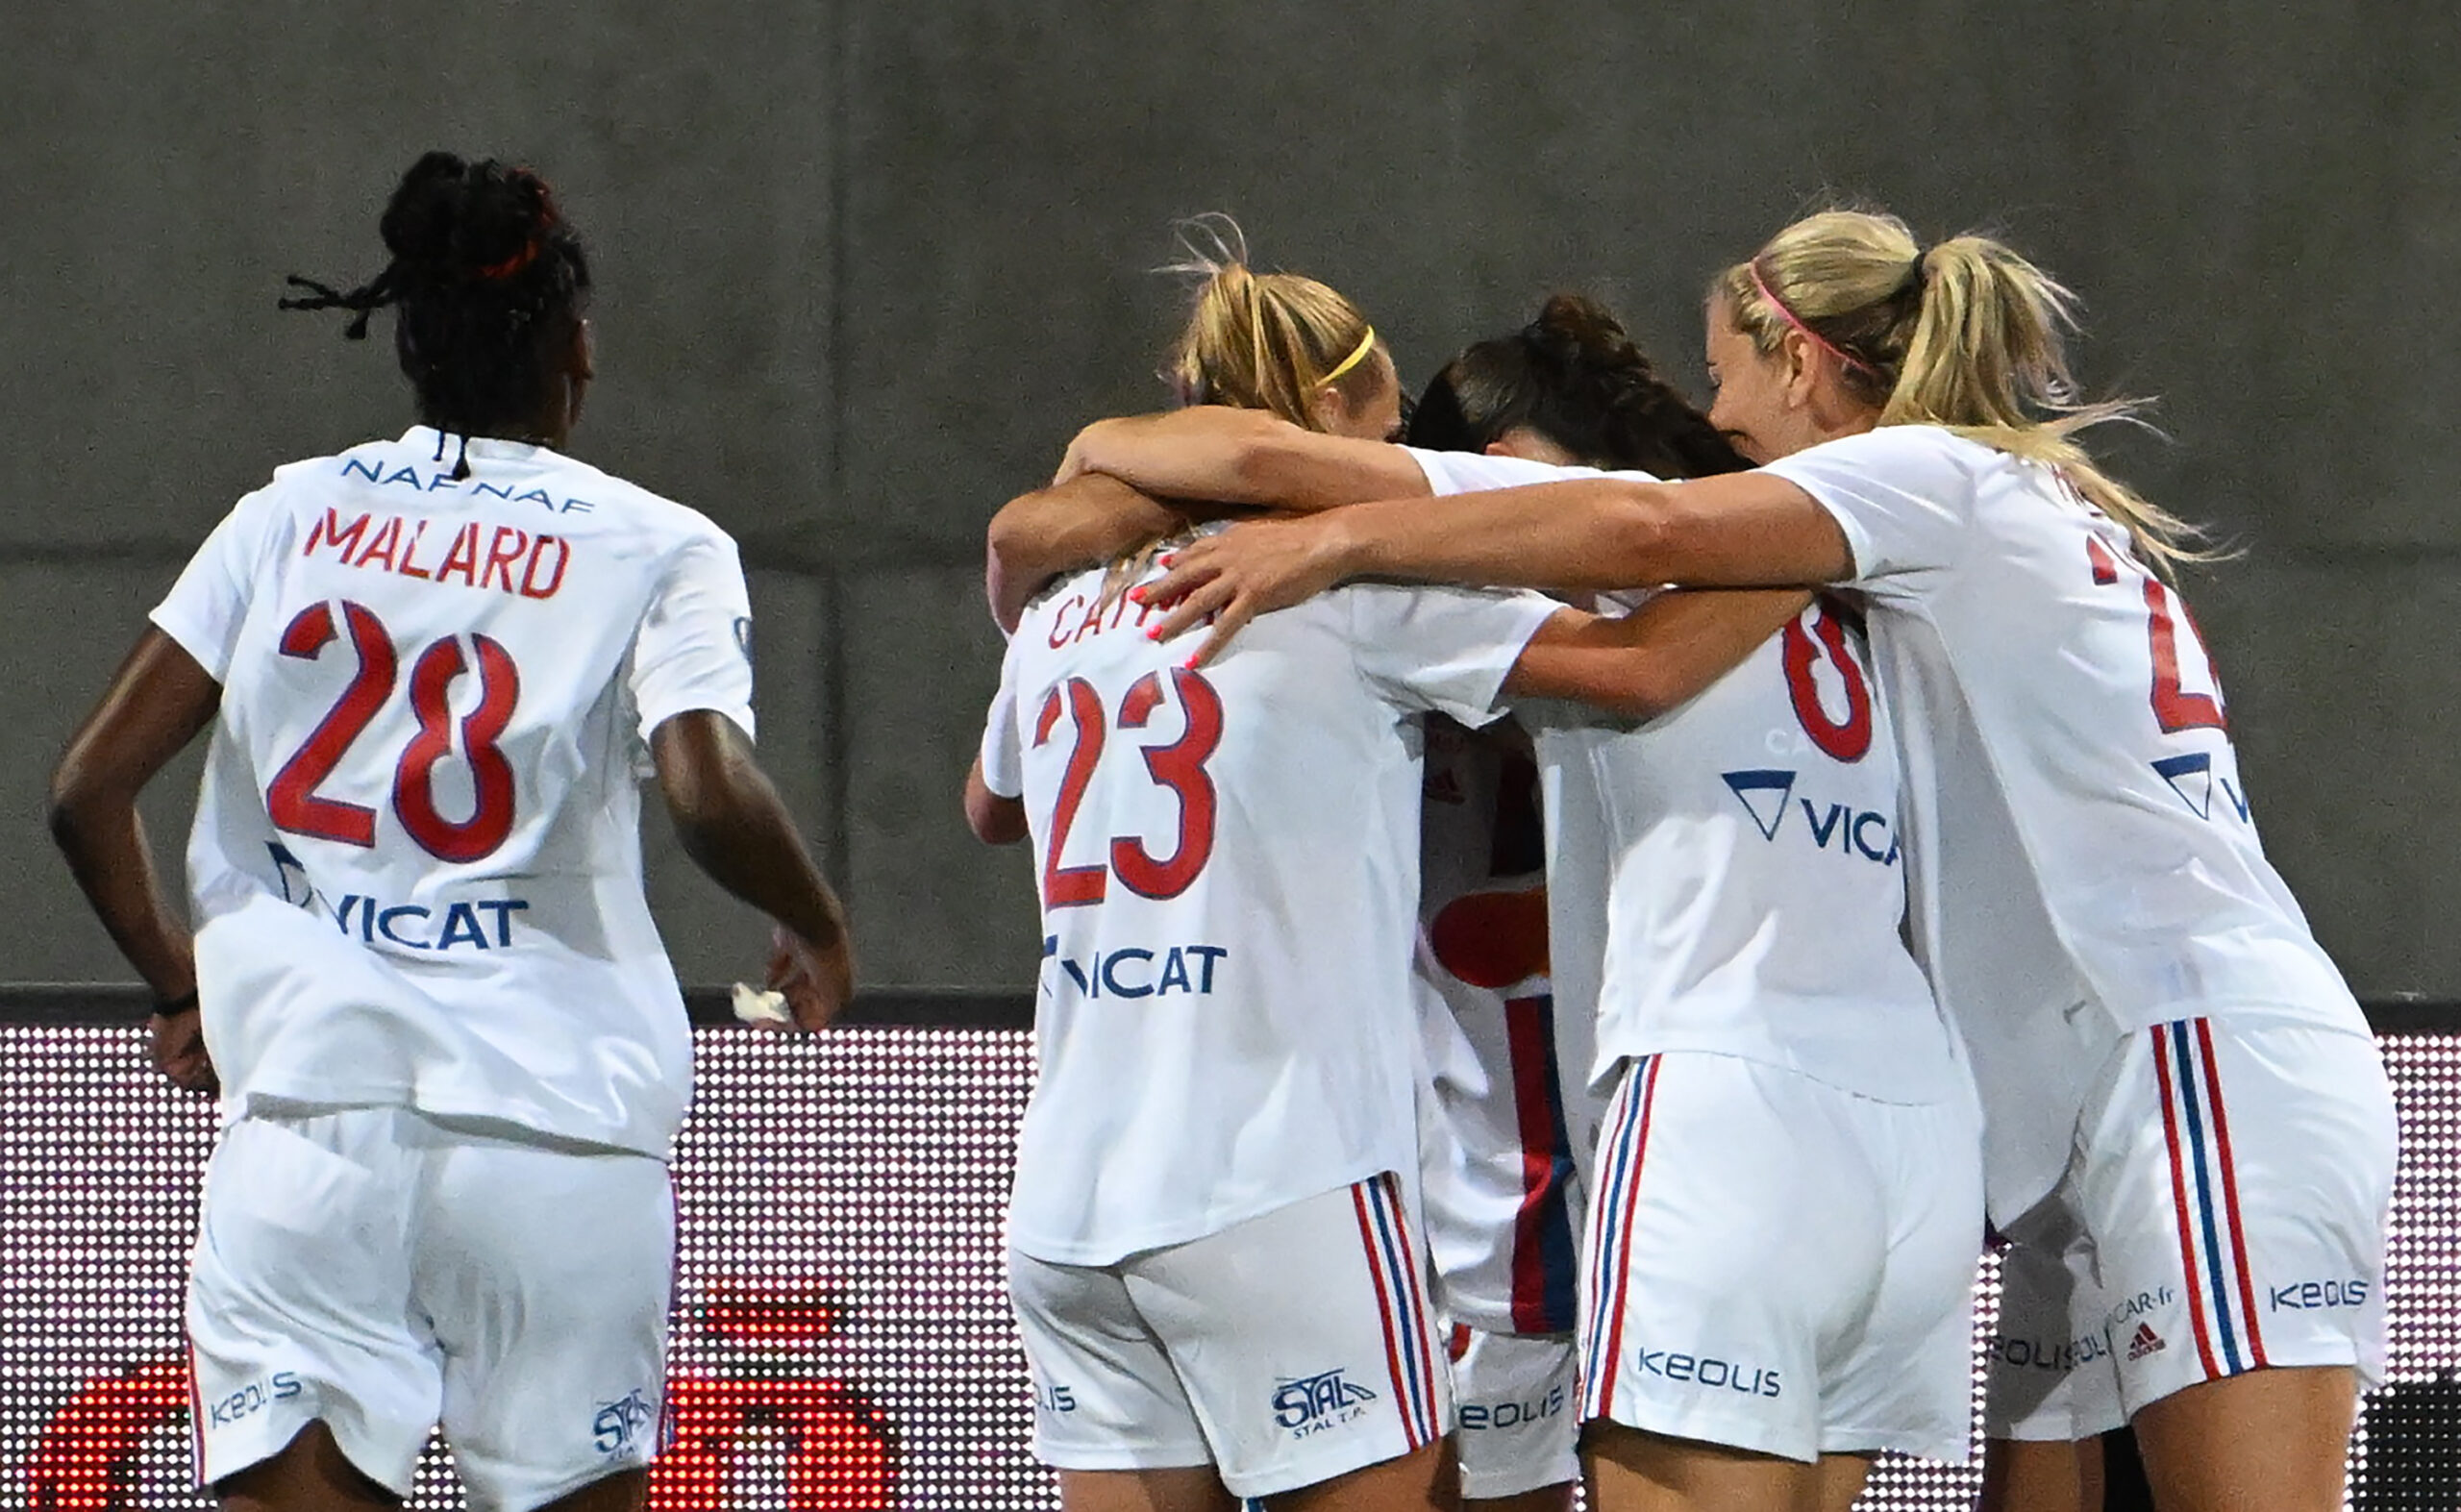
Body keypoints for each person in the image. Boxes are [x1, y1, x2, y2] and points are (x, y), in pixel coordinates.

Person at [1054, 208, 2399, 1512]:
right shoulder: (1961, 530)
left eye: (1726, 369)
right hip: (1988, 1120)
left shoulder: (1907, 484)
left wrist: (1310, 531)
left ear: (1804, 361)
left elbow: (1623, 548)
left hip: (2129, 1062)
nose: (1717, 411)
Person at [1007, 285, 1987, 1512]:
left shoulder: (1490, 557)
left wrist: (1112, 508)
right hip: (1907, 1124)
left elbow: (1002, 758)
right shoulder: (1872, 570)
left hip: (1615, 1143)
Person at [47, 152, 855, 1512]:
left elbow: (86, 789)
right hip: (556, 1136)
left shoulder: (286, 514)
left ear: (408, 342)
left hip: (307, 1138)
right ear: (575, 349)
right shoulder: (656, 543)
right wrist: (819, 923)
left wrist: (187, 983)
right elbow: (708, 790)